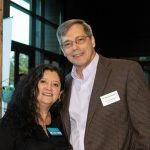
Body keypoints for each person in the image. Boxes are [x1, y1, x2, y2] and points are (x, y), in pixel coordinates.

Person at [56, 19, 150, 150]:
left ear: (92, 41)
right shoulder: (63, 84)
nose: (75, 47)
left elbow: (146, 130)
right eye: (68, 44)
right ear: (63, 50)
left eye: (80, 40)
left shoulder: (126, 72)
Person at [0, 64, 72, 150]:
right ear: (32, 87)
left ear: (60, 93)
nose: (49, 88)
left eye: (55, 84)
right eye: (43, 81)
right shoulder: (12, 121)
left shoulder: (61, 120)